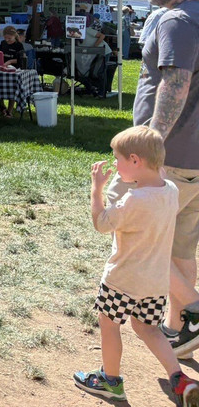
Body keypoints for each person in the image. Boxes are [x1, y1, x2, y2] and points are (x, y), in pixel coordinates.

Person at [74, 127, 199, 405]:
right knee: (148, 329)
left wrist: (97, 189)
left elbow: (101, 223)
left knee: (109, 324)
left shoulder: (133, 200)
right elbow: (159, 176)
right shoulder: (171, 190)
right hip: (154, 284)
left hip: (122, 280)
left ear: (135, 161)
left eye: (117, 159)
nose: (115, 166)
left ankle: (110, 381)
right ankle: (179, 379)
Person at [117, 0, 199, 358]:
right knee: (180, 247)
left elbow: (175, 84)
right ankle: (180, 330)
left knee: (138, 241)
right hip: (193, 159)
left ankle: (196, 310)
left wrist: (150, 148)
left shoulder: (178, 19)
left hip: (169, 157)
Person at [0, 25, 26, 117]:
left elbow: (21, 59)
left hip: (14, 70)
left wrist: (10, 61)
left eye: (9, 38)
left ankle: (9, 111)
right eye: (5, 38)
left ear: (14, 36)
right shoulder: (3, 43)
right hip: (3, 69)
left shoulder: (19, 45)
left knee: (12, 89)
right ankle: (2, 105)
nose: (7, 40)